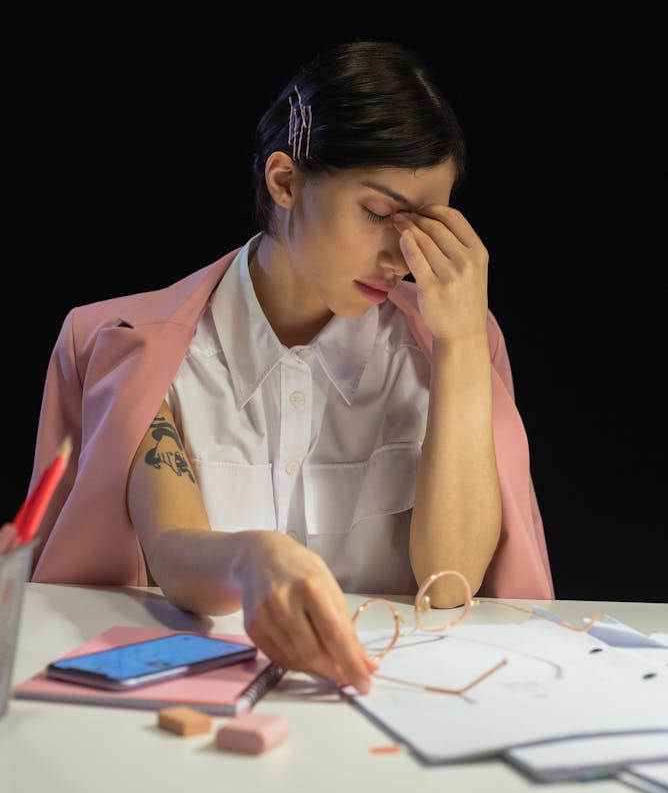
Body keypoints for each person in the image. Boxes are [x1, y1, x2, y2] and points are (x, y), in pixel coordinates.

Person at [27, 40, 553, 696]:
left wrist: (462, 346)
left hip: (401, 711)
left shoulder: (450, 347)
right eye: (381, 214)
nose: (404, 255)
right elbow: (172, 547)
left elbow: (451, 580)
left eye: (428, 224)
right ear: (285, 182)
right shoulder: (135, 348)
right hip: (197, 726)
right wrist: (253, 561)